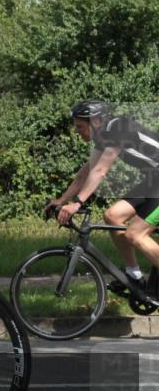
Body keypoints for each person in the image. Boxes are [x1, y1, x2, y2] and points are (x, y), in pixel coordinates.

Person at [45, 100, 159, 301]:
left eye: (80, 126)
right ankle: (134, 276)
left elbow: (100, 171)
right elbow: (86, 172)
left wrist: (78, 203)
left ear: (96, 121)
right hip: (154, 179)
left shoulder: (118, 128)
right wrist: (62, 200)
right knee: (113, 216)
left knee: (135, 234)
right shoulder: (103, 137)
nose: (77, 131)